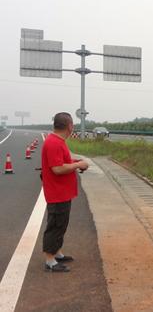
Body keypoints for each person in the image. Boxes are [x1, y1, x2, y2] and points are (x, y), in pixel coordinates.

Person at [41, 112, 89, 272]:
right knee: (55, 225)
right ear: (69, 126)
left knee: (61, 224)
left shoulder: (58, 141)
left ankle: (57, 253)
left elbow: (63, 162)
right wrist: (77, 165)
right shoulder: (54, 143)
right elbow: (58, 168)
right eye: (72, 124)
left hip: (63, 192)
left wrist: (77, 163)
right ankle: (50, 260)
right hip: (57, 192)